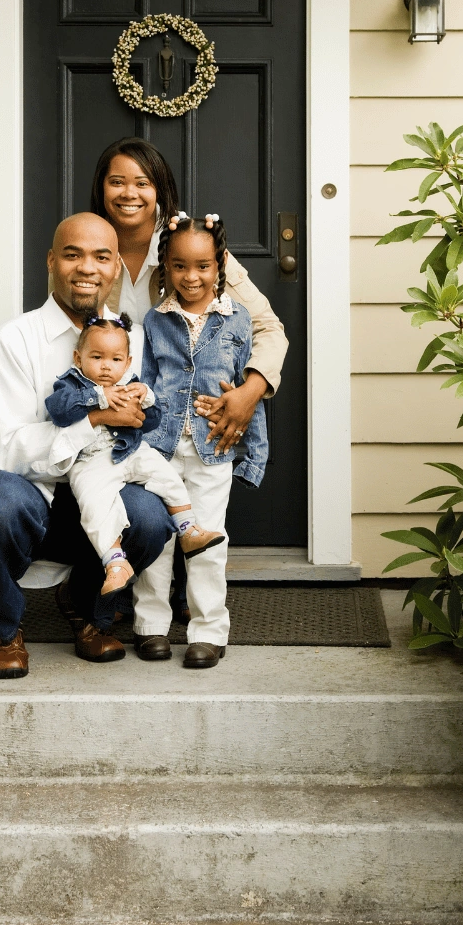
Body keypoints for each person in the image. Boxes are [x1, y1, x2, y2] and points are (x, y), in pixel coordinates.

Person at [0, 212, 176, 679]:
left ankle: (89, 609)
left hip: (101, 494)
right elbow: (10, 453)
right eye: (73, 255)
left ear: (116, 267)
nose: (87, 268)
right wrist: (95, 417)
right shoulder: (14, 340)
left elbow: (144, 420)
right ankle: (1, 627)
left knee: (151, 516)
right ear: (51, 261)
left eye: (101, 257)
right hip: (30, 498)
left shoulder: (133, 339)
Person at [90, 136, 287, 624]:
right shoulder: (92, 247)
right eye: (117, 181)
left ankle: (191, 602)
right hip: (114, 412)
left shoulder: (191, 250)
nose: (129, 193)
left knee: (197, 508)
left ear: (161, 191)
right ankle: (106, 589)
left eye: (143, 182)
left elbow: (267, 328)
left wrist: (250, 391)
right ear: (102, 189)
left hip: (186, 421)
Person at [135, 212, 268, 669]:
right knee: (159, 539)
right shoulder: (155, 322)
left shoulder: (238, 322)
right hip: (160, 447)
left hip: (214, 449)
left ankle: (208, 631)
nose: (191, 277)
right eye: (179, 266)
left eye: (203, 267)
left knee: (209, 539)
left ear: (219, 268)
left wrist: (255, 455)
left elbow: (249, 394)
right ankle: (151, 625)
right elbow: (147, 384)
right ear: (165, 267)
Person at [45, 311, 224, 598]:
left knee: (165, 474)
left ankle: (188, 529)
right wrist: (100, 398)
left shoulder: (130, 382)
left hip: (131, 451)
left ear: (127, 362)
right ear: (79, 359)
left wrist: (146, 397)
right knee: (95, 505)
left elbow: (150, 421)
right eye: (97, 357)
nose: (106, 367)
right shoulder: (72, 384)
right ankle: (115, 562)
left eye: (116, 360)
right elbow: (58, 410)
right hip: (91, 461)